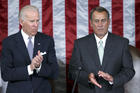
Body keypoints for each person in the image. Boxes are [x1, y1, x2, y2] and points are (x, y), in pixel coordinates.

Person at [69, 6, 135, 93]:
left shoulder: (122, 43)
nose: (100, 24)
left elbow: (129, 70)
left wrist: (113, 79)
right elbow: (73, 71)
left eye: (103, 20)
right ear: (91, 23)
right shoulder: (80, 44)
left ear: (109, 22)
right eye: (96, 21)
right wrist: (88, 77)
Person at [0, 5, 58, 93]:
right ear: (21, 22)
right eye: (32, 21)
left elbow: (54, 72)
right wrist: (30, 68)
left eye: (37, 21)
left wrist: (39, 66)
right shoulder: (9, 42)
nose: (36, 24)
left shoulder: (47, 40)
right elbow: (6, 74)